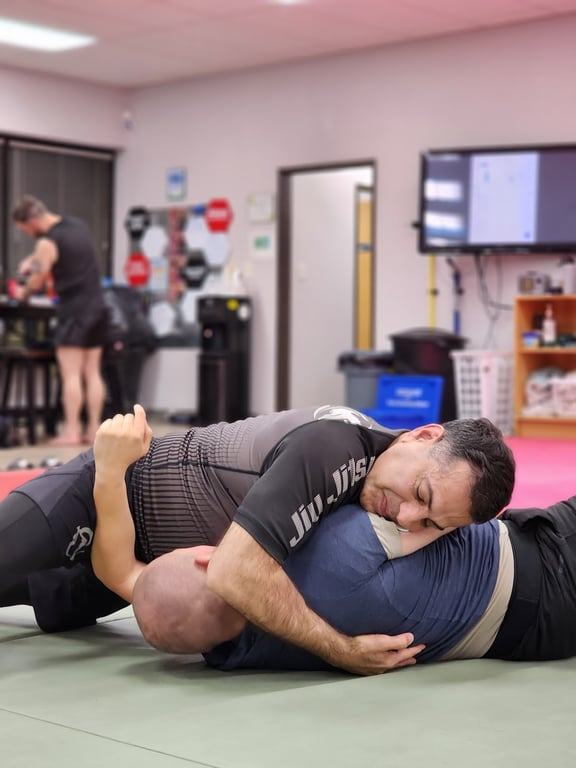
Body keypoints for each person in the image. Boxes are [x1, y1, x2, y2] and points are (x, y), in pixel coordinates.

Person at [0, 404, 515, 675]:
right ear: (423, 434)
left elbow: (125, 575)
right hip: (102, 489)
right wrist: (343, 652)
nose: (405, 517)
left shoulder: (380, 486)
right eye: (420, 494)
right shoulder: (331, 447)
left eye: (430, 523)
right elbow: (232, 572)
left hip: (127, 565)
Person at [12, 195, 108, 446]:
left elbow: (39, 278)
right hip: (97, 306)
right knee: (92, 372)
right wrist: (32, 258)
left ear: (32, 221)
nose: (27, 234)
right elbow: (59, 255)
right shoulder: (78, 226)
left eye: (24, 229)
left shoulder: (48, 241)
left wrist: (23, 293)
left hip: (73, 310)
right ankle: (93, 430)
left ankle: (71, 431)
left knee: (71, 374)